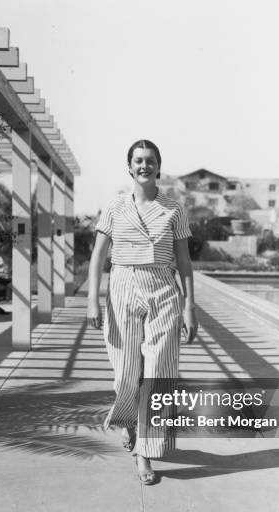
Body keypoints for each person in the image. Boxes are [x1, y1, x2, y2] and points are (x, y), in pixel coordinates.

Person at [87, 139, 198, 485]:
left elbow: (184, 262)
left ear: (158, 166)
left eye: (150, 160)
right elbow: (97, 256)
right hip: (122, 286)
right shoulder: (115, 206)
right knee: (125, 374)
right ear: (129, 166)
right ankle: (127, 419)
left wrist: (189, 307)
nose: (144, 166)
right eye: (138, 160)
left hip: (163, 288)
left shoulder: (174, 209)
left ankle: (145, 455)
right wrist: (92, 298)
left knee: (158, 372)